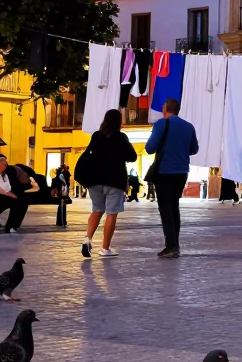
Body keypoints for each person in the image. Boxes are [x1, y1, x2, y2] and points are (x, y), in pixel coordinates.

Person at [144, 98, 199, 258]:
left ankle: (171, 245)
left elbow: (149, 148)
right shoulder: (189, 127)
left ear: (165, 109)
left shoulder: (161, 124)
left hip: (164, 171)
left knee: (165, 209)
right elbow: (194, 149)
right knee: (174, 206)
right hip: (182, 172)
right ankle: (175, 243)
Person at [80, 109, 138, 258]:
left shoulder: (96, 136)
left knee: (97, 210)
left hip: (95, 180)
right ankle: (105, 248)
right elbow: (133, 157)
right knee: (111, 213)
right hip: (115, 180)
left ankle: (87, 239)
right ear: (119, 122)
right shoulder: (121, 137)